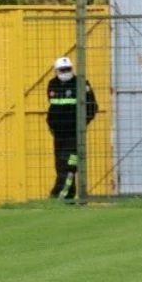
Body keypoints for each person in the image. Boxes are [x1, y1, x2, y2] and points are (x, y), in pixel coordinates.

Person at [46, 56, 98, 200]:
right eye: (62, 70)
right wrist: (51, 124)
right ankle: (67, 196)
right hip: (58, 134)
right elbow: (53, 107)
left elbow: (92, 107)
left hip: (74, 135)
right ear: (56, 71)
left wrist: (81, 124)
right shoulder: (52, 84)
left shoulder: (81, 84)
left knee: (69, 167)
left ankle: (59, 195)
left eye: (68, 69)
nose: (65, 72)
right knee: (60, 165)